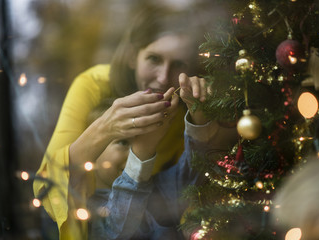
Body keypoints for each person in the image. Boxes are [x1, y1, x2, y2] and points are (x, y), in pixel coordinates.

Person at [33, 2, 235, 239]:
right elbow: (48, 190)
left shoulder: (187, 104)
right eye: (154, 58)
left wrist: (200, 116)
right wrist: (108, 127)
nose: (162, 78)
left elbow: (196, 177)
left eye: (179, 63)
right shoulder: (94, 85)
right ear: (132, 56)